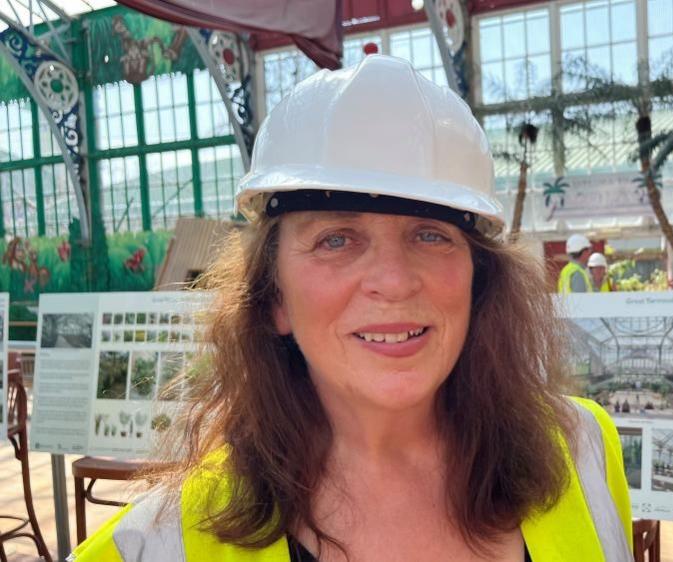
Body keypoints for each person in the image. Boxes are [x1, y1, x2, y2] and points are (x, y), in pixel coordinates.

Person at [70, 56, 631, 562]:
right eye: (336, 240)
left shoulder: (583, 451)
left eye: (431, 235)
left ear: (479, 280)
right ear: (274, 300)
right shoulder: (159, 545)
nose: (392, 281)